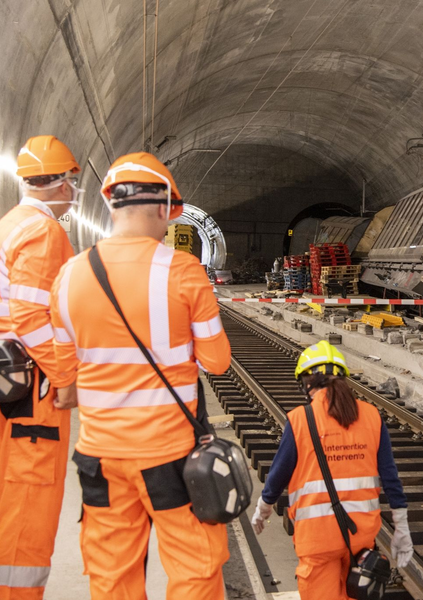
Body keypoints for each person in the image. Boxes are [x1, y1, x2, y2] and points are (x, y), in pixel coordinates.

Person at [49, 152, 232, 600]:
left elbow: (63, 376)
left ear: (109, 204)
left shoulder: (68, 276)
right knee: (194, 568)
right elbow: (218, 362)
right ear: (165, 206)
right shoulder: (184, 271)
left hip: (100, 458)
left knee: (112, 575)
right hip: (170, 456)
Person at [251, 341, 413, 600]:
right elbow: (390, 476)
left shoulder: (300, 419)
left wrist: (263, 508)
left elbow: (279, 474)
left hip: (317, 540)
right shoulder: (371, 416)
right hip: (360, 539)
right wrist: (401, 527)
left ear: (306, 382)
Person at [0, 135, 81, 599]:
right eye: (72, 182)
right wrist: (66, 378)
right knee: (27, 503)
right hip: (31, 392)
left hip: (9, 380)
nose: (73, 193)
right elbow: (32, 317)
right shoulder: (44, 230)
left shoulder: (11, 222)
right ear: (59, 183)